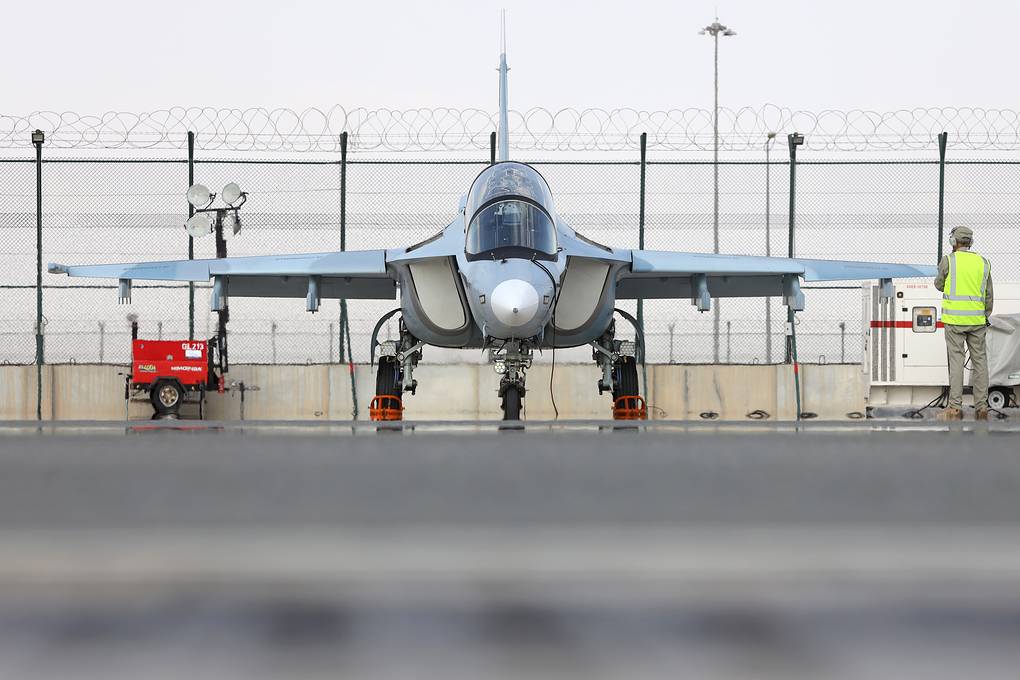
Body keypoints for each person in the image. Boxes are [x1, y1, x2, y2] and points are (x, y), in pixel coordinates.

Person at [934, 226, 993, 420]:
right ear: (970, 242)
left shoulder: (948, 260)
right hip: (977, 321)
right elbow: (988, 294)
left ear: (954, 242)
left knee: (957, 362)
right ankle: (982, 408)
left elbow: (939, 284)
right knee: (980, 363)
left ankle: (955, 408)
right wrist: (985, 315)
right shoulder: (984, 263)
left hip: (954, 321)